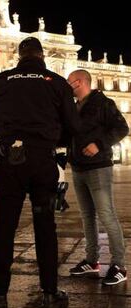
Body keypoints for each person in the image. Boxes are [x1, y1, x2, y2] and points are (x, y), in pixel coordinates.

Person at [0, 37, 80, 308]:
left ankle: (0, 292)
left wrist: (11, 134)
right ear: (42, 56)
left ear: (19, 56)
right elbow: (72, 123)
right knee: (45, 226)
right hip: (42, 162)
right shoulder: (56, 81)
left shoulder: (2, 80)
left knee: (5, 228)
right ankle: (50, 291)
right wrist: (50, 138)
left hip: (10, 161)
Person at [67, 69, 128, 285]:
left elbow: (122, 128)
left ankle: (119, 265)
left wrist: (99, 144)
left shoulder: (103, 103)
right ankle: (92, 261)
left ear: (81, 82)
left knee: (106, 215)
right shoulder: (74, 107)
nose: (68, 87)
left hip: (99, 167)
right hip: (78, 167)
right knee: (87, 216)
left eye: (70, 82)